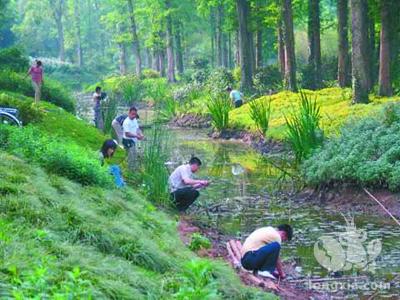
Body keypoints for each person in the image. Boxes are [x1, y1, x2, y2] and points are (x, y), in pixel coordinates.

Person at [122, 106, 144, 170]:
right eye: (132, 114)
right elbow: (127, 134)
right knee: (132, 156)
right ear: (129, 113)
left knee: (130, 155)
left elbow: (137, 128)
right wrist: (137, 136)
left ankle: (127, 168)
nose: (134, 116)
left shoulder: (134, 120)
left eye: (135, 114)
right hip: (127, 140)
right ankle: (130, 169)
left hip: (133, 140)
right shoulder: (126, 122)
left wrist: (141, 134)